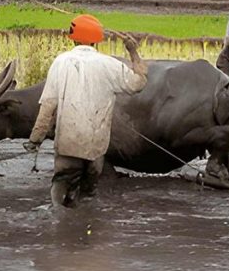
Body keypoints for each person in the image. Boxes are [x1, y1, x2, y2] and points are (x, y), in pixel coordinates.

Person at [25, 14, 148, 207]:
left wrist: (35, 139)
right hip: (96, 148)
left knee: (59, 193)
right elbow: (138, 83)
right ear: (96, 40)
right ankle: (86, 229)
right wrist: (133, 52)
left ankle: (61, 229)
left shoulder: (61, 62)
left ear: (73, 38)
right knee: (88, 196)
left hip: (68, 144)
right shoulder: (109, 65)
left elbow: (48, 105)